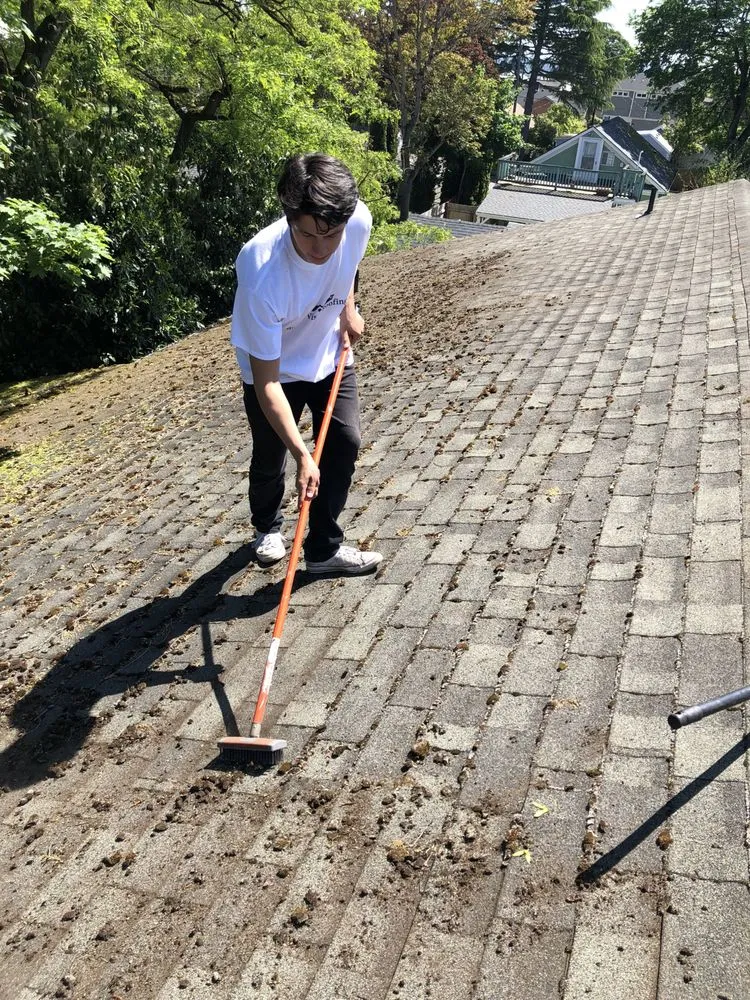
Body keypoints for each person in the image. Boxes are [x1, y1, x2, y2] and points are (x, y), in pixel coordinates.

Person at [230, 152, 383, 576]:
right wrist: (302, 454)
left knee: (345, 442)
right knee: (272, 453)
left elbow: (346, 264)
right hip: (275, 370)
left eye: (331, 235)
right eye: (309, 235)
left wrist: (347, 308)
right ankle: (267, 527)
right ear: (289, 217)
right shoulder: (261, 271)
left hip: (329, 353)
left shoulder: (357, 221)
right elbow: (267, 385)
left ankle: (322, 550)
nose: (321, 249)